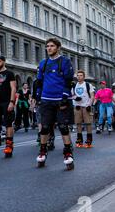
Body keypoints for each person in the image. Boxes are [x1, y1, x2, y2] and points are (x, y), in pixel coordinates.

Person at [35, 38, 75, 170]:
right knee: (45, 127)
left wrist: (64, 96)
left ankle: (68, 153)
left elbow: (68, 81)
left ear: (58, 47)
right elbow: (39, 81)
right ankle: (42, 151)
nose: (49, 48)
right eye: (47, 46)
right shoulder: (43, 63)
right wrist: (38, 96)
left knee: (63, 127)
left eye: (52, 46)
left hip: (60, 100)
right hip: (46, 100)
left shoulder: (65, 61)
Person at [72, 70, 95, 148]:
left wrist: (89, 104)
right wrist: (75, 98)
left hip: (86, 106)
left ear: (84, 77)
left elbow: (92, 96)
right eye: (78, 75)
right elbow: (72, 95)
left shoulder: (88, 85)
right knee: (78, 123)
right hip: (77, 106)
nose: (79, 77)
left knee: (88, 123)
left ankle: (89, 141)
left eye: (81, 75)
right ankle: (79, 140)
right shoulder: (74, 86)